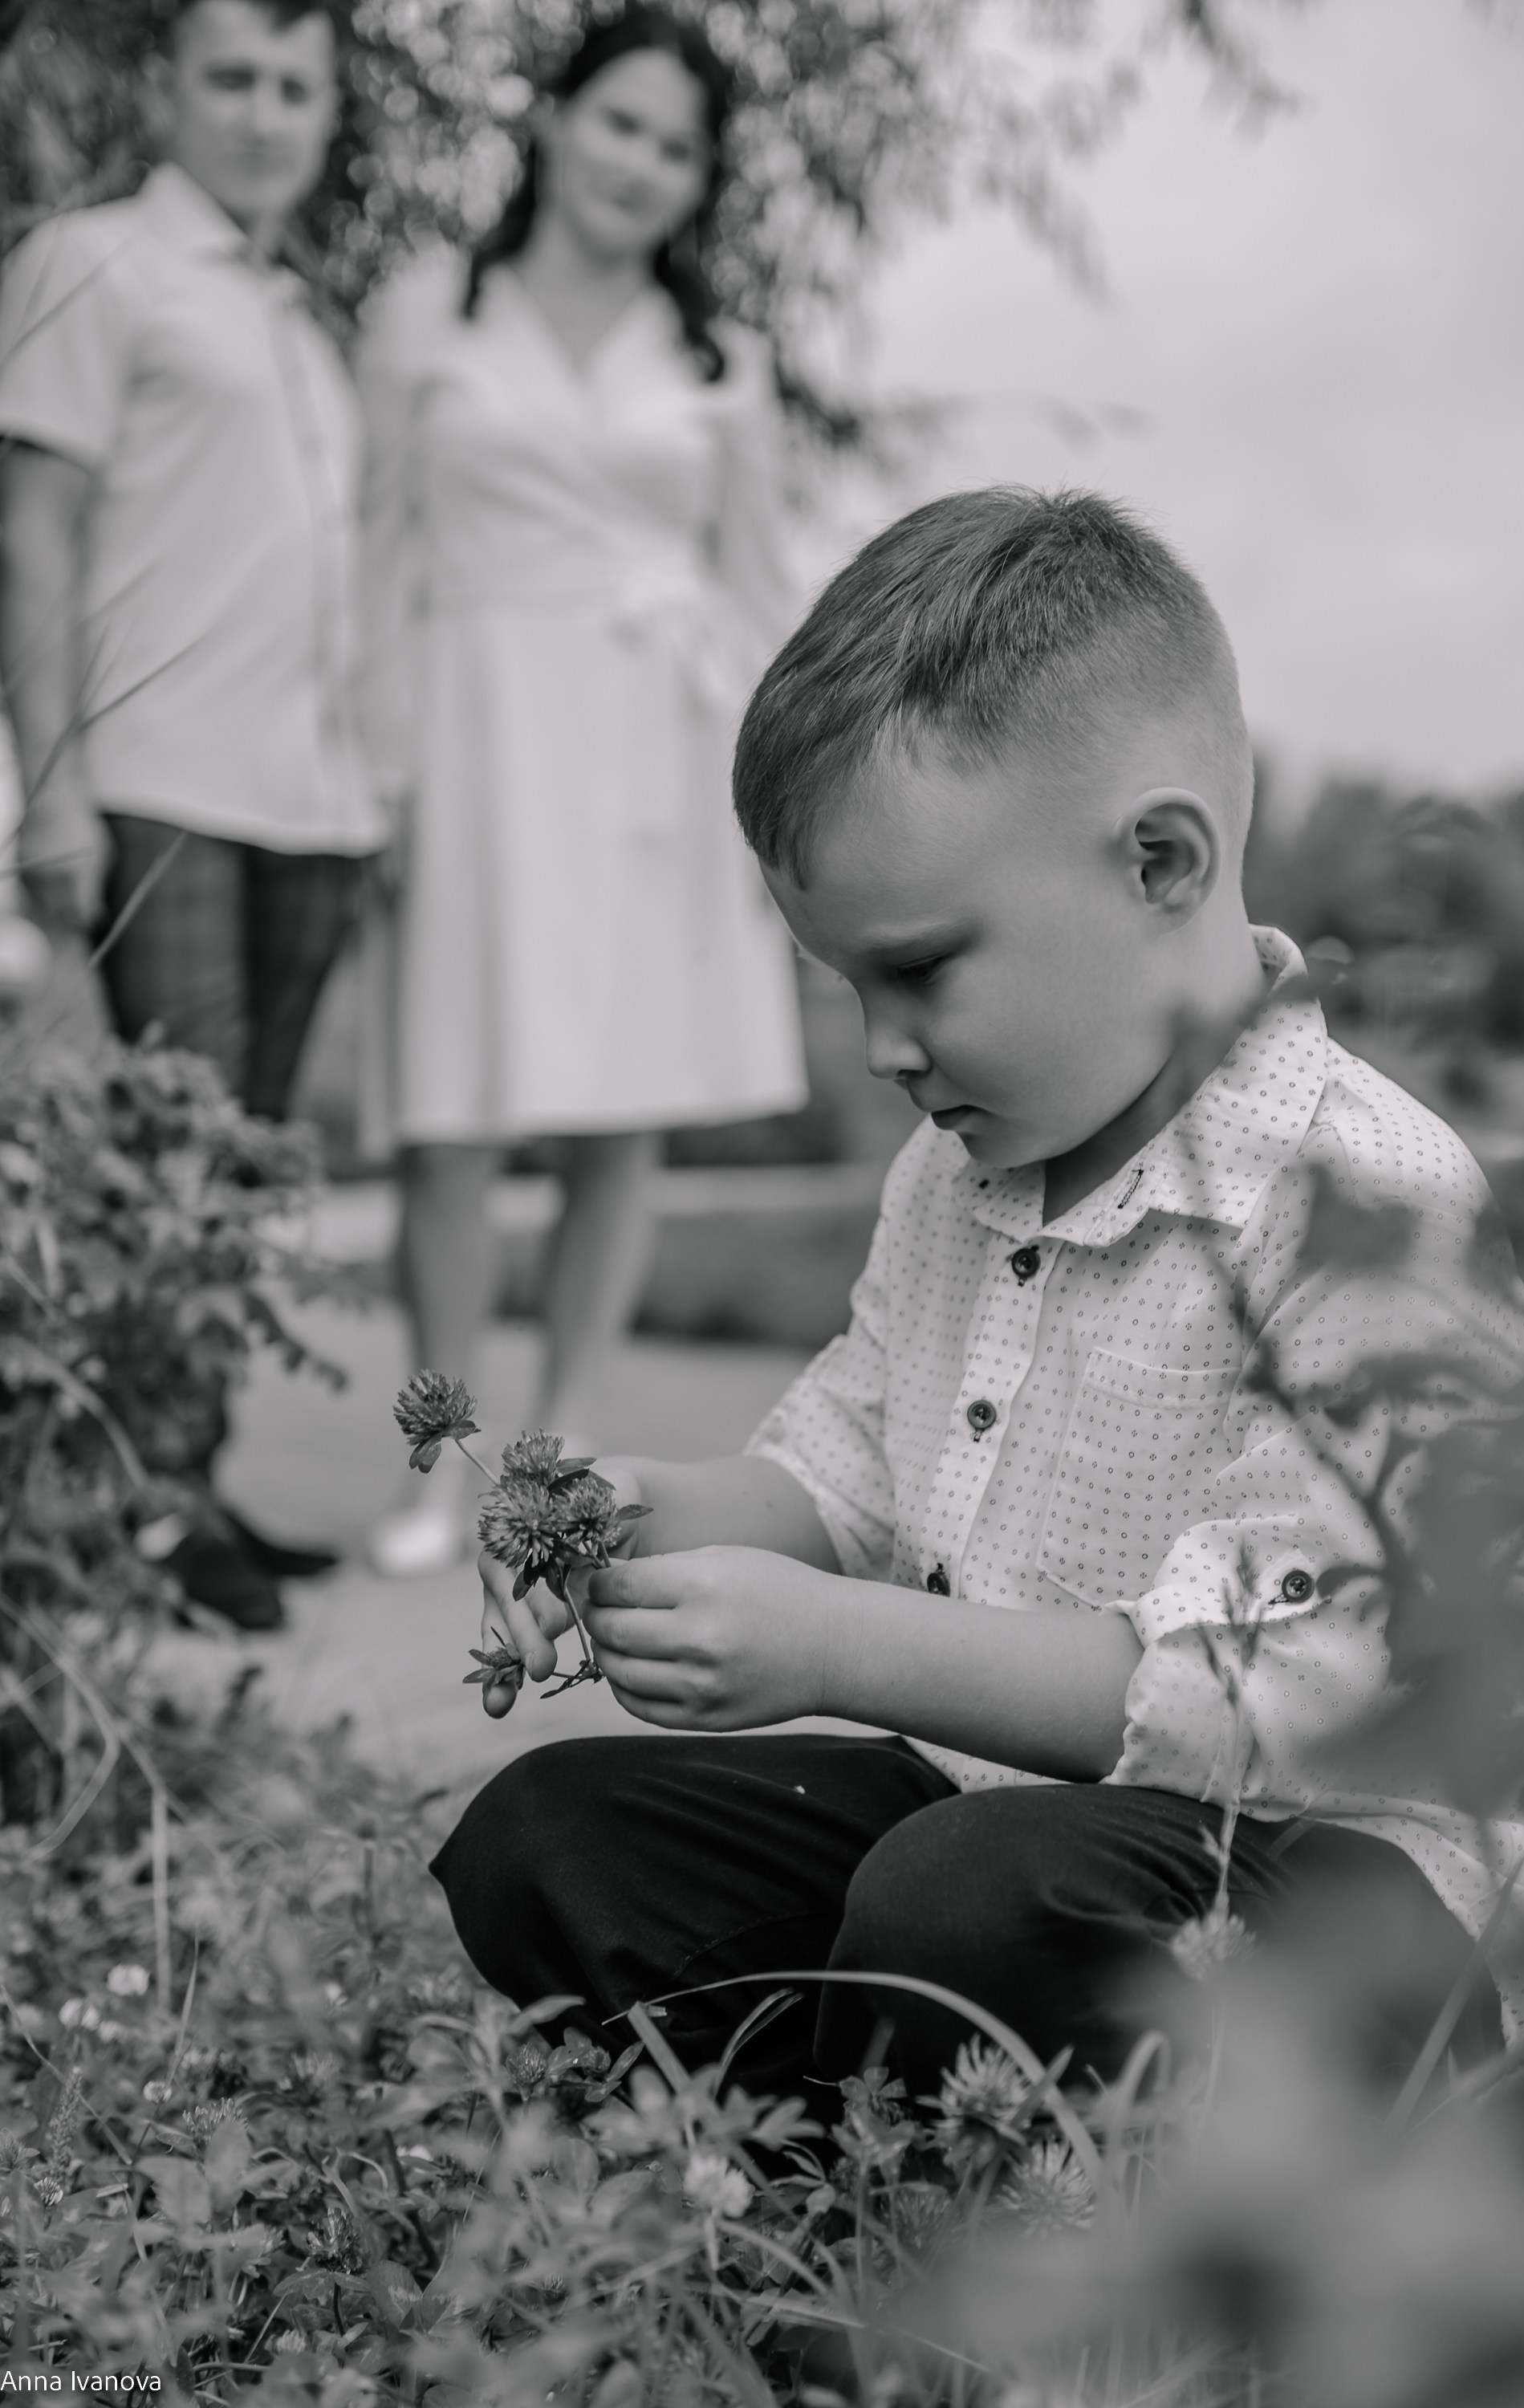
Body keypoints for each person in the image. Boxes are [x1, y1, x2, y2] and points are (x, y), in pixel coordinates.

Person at [429, 488, 1524, 2102]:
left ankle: (1037, 2206)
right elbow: (839, 1473)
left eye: (921, 969)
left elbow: (1277, 1697)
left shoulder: (1369, 1199)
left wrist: (839, 1651)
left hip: (1344, 1885)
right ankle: (844, 2164)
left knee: (964, 1895)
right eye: (849, 986)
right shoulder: (954, 1176)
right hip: (999, 1824)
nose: (879, 1047)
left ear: (1161, 864)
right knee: (551, 1839)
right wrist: (636, 1513)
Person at [359, 6, 807, 1580]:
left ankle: (549, 1465)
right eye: (618, 121)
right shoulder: (427, 311)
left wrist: (776, 795)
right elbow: (380, 552)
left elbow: (758, 592)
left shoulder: (720, 363)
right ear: (549, 120)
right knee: (451, 1120)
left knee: (619, 1124)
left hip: (654, 744)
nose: (640, 163)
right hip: (474, 717)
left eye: (678, 147)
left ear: (701, 186)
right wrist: (382, 764)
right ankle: (439, 1460)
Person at [0, 0, 385, 1628]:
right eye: (232, 76)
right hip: (160, 779)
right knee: (165, 1163)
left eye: (296, 86)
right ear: (167, 89)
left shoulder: (302, 319)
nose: (264, 111)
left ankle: (186, 1483)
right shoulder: (93, 264)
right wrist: (51, 783)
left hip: (309, 799)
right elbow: (36, 533)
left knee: (236, 1182)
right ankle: (137, 1519)